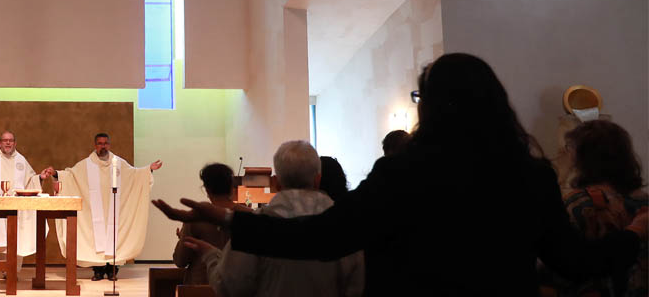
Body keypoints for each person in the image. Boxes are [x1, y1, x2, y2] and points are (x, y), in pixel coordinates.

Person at [153, 53, 649, 295]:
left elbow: (324, 237)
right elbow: (575, 261)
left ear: (432, 106)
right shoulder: (531, 176)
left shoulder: (404, 172)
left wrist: (231, 221)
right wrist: (632, 234)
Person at [183, 142, 362, 297]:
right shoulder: (346, 227)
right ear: (317, 180)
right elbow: (357, 287)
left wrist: (211, 255)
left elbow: (230, 286)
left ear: (276, 183)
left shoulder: (256, 227)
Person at [546, 120, 648, 297]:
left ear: (583, 157)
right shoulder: (644, 201)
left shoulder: (577, 203)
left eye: (570, 147)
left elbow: (564, 264)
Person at [55, 133, 162, 281]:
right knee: (95, 239)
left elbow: (134, 175)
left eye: (105, 143)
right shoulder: (86, 164)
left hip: (114, 210)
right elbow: (70, 176)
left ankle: (112, 270)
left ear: (109, 145)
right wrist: (56, 174)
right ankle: (98, 271)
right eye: (100, 143)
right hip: (94, 213)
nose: (103, 146)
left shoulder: (119, 163)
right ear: (95, 145)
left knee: (114, 237)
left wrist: (148, 169)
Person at [0, 131, 55, 272]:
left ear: (15, 143)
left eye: (11, 140)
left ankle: (11, 271)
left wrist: (40, 178)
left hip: (16, 210)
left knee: (15, 240)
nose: (8, 143)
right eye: (5, 140)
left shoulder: (21, 160)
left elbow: (30, 181)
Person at [172, 163, 235, 285]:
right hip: (239, 288)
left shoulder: (197, 217)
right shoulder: (249, 215)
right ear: (232, 187)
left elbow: (180, 260)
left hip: (202, 286)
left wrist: (183, 239)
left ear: (207, 189)